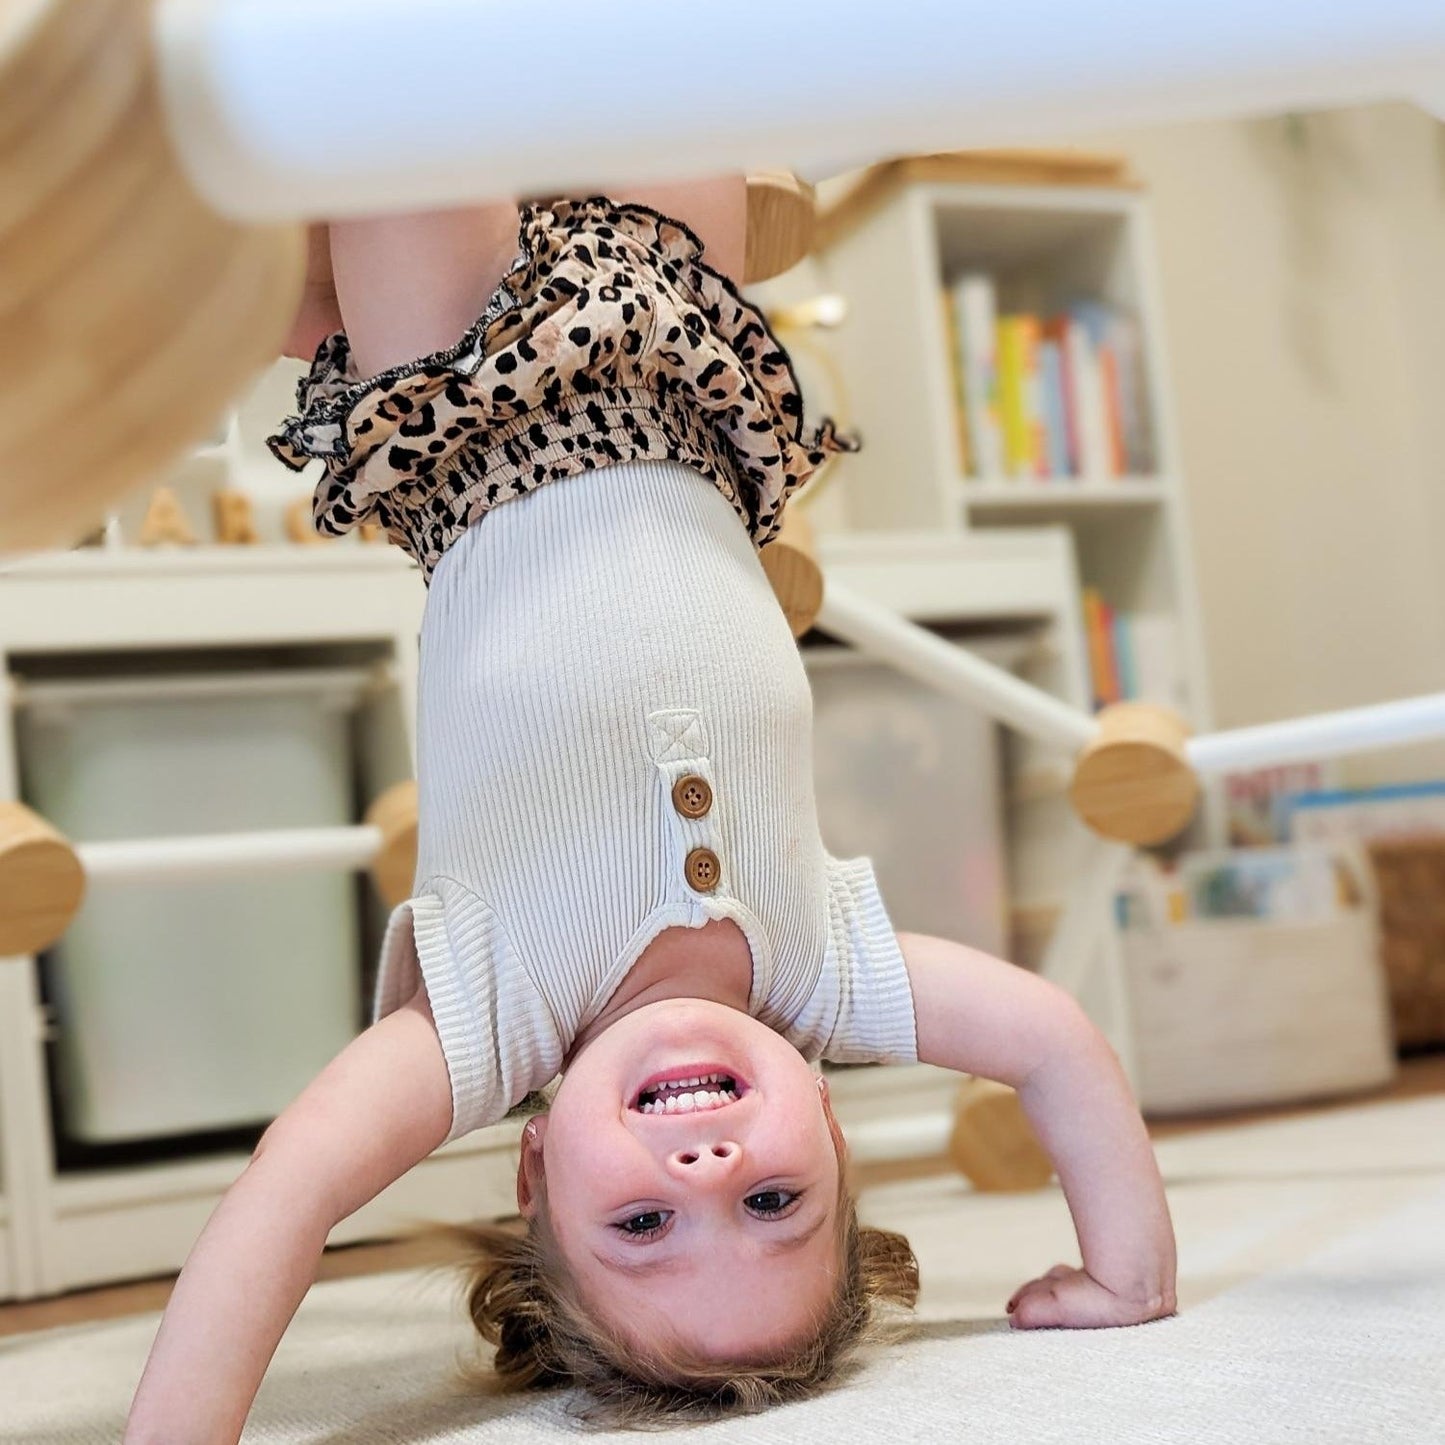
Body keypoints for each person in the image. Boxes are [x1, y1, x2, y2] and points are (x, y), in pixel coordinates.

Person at [124, 175, 1175, 1442]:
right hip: (677, 353)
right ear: (831, 1127)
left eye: (641, 1226)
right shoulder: (828, 978)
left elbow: (285, 1194)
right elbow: (1053, 1040)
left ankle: (314, 240)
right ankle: (305, 277)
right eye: (776, 1201)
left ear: (536, 1174)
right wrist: (1128, 1270)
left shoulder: (488, 1024)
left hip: (465, 381)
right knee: (655, 64)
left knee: (411, 110)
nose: (708, 1173)